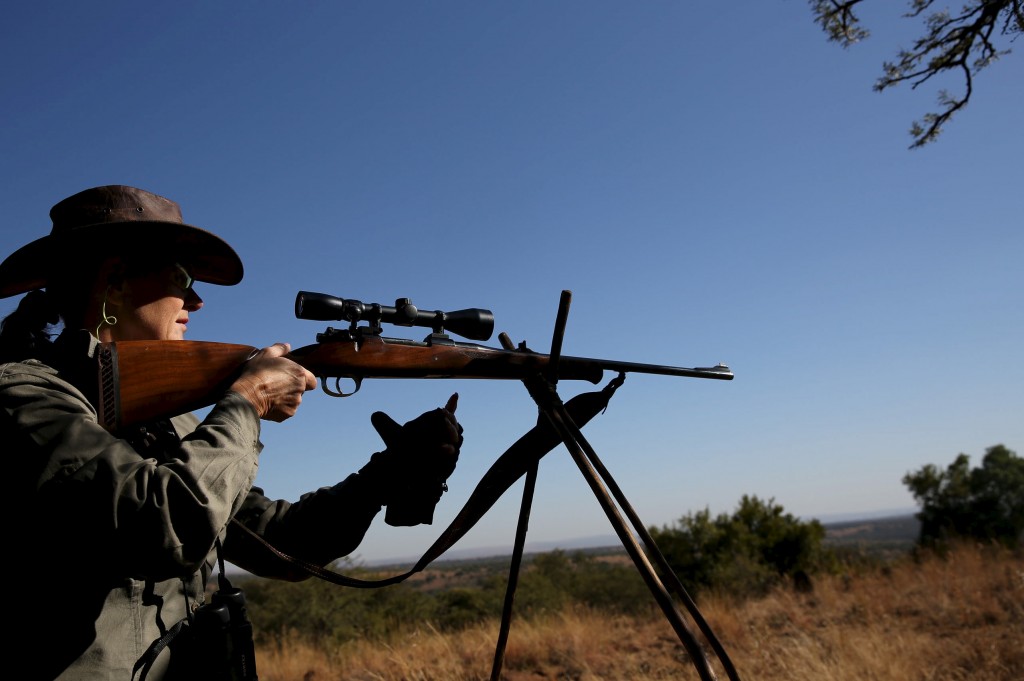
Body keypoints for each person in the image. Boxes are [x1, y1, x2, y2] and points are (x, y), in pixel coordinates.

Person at [0, 185, 463, 680]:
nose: (196, 300)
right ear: (114, 280)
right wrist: (248, 402)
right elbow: (164, 527)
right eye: (181, 277)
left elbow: (277, 542)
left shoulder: (169, 416)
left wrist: (385, 476)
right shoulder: (21, 395)